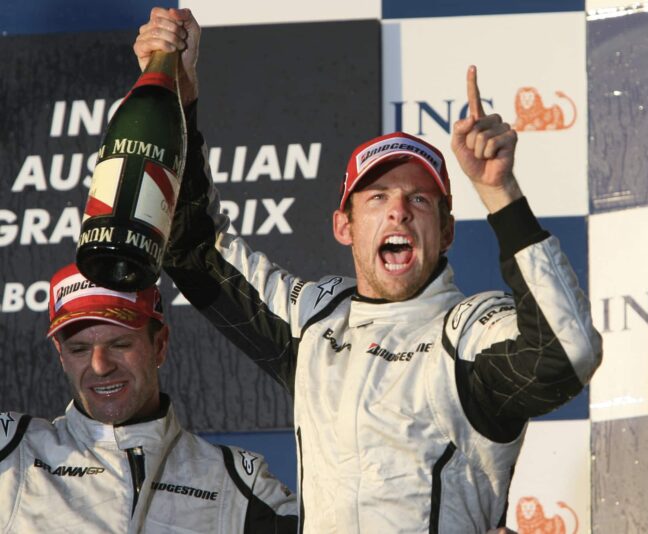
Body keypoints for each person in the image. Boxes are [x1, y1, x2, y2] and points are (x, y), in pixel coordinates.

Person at [135, 8, 603, 533]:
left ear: (447, 232)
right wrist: (177, 96)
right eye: (378, 197)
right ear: (344, 226)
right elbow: (193, 248)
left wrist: (498, 192)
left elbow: (567, 353)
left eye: (420, 200)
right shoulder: (314, 322)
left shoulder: (469, 334)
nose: (398, 211)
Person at [0, 263, 298, 533]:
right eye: (79, 350)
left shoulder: (235, 483)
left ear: (159, 345)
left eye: (119, 344)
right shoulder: (13, 450)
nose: (100, 366)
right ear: (60, 354)